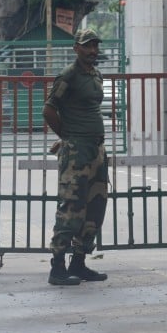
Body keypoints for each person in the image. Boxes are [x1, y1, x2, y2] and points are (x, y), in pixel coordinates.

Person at [43, 28, 110, 285]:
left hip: (96, 151)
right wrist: (67, 137)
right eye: (87, 46)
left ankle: (79, 262)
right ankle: (57, 267)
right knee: (71, 209)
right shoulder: (68, 76)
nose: (92, 50)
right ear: (76, 48)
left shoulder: (96, 75)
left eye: (95, 45)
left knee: (95, 207)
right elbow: (49, 110)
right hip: (77, 152)